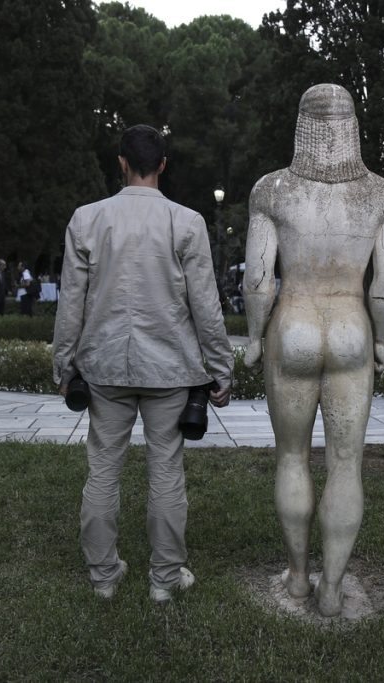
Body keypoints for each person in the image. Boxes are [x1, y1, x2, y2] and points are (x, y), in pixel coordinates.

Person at [53, 124, 233, 604]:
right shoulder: (187, 222)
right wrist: (220, 368)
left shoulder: (86, 219)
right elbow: (206, 306)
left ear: (121, 162)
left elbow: (72, 300)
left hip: (103, 366)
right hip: (170, 369)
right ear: (164, 165)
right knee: (166, 472)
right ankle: (165, 579)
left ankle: (103, 576)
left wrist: (63, 363)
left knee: (103, 470)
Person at [244, 84, 384, 617]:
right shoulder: (381, 196)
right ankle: (332, 590)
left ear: (302, 124)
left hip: (292, 327)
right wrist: (380, 338)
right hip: (352, 329)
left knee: (291, 456)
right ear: (352, 125)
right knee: (345, 463)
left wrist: (252, 335)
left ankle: (295, 578)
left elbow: (258, 279)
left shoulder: (272, 191)